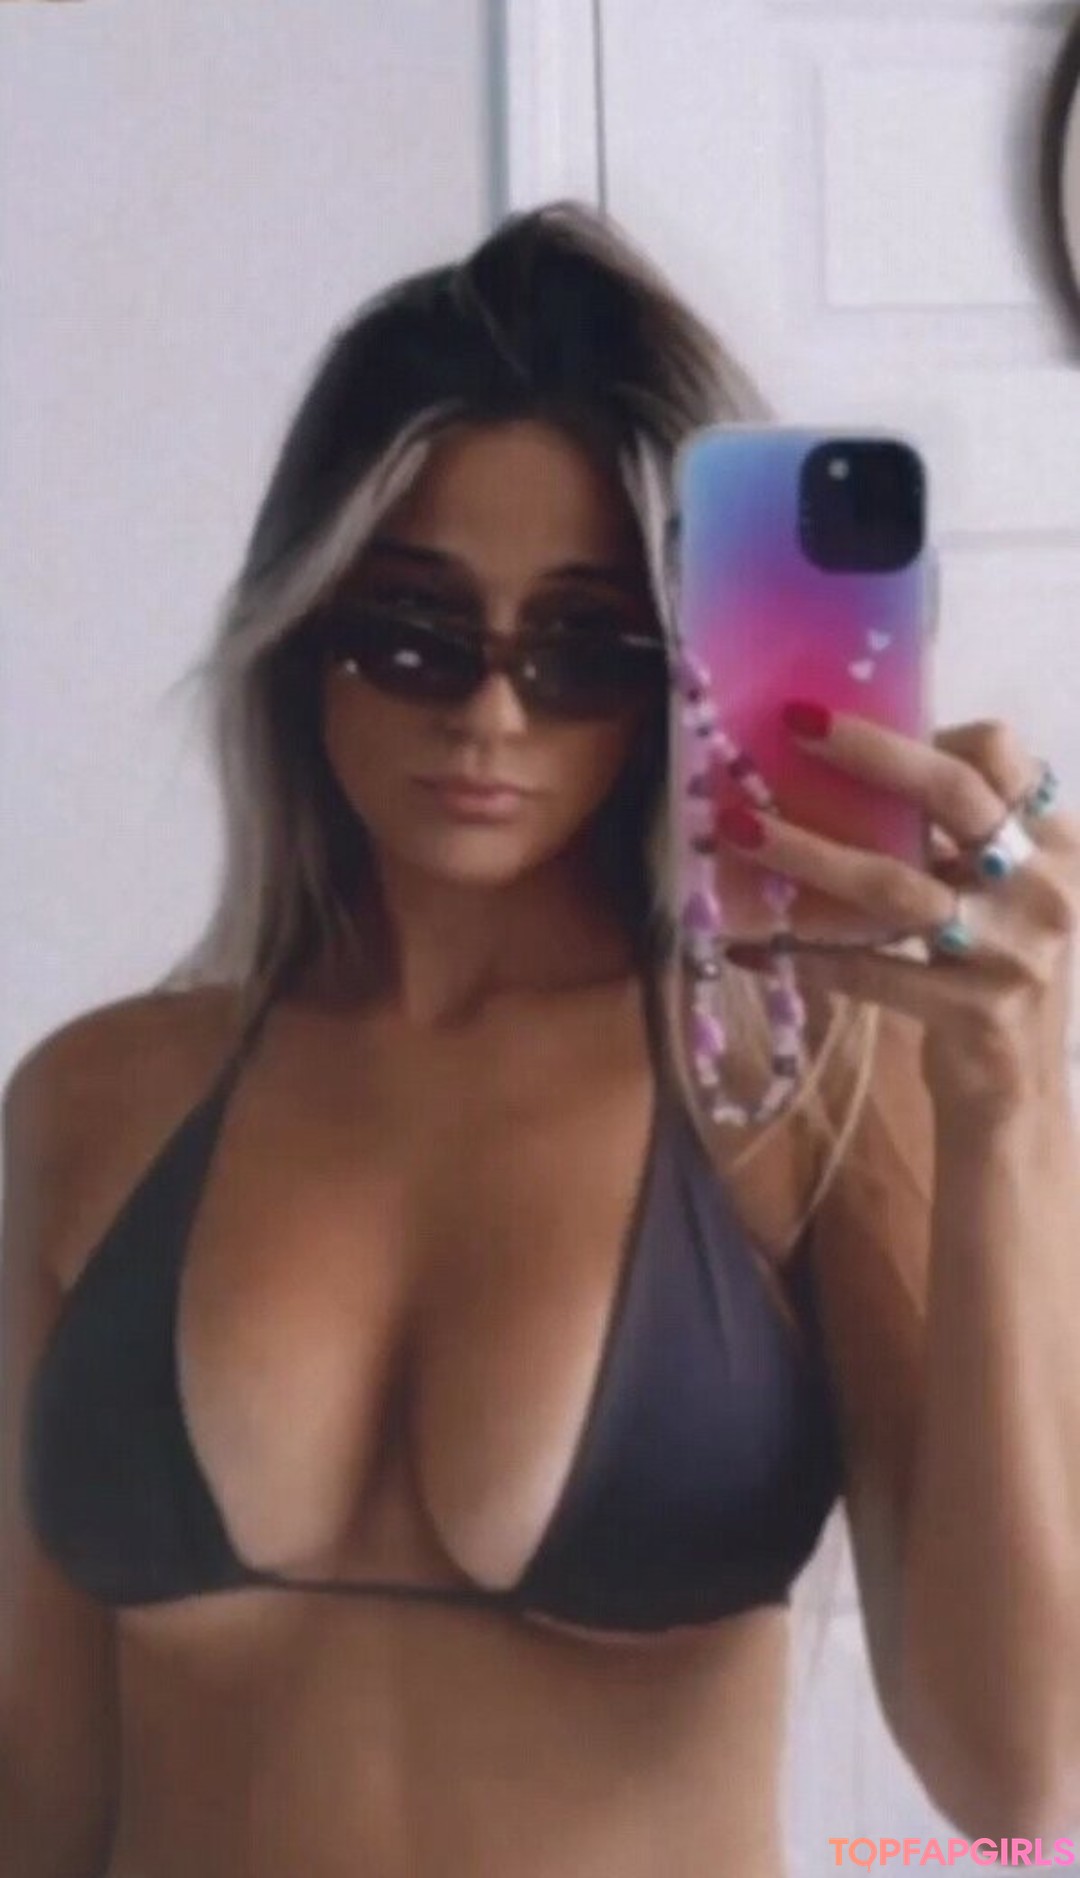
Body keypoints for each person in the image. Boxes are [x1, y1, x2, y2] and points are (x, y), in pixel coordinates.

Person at [2, 200, 1079, 1878]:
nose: (488, 712)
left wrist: (1007, 1106)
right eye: (415, 630)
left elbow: (1019, 1770)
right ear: (303, 632)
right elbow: (41, 1788)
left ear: (680, 674)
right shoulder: (98, 1101)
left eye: (583, 649)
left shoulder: (803, 1087)